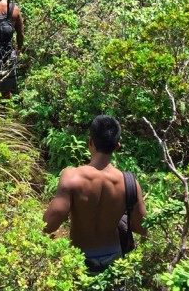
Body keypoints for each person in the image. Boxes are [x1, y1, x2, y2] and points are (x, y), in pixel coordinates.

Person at [43, 115, 147, 274]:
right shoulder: (129, 182)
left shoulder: (72, 177)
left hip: (79, 259)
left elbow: (49, 224)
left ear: (90, 142)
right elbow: (142, 228)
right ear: (117, 146)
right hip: (115, 259)